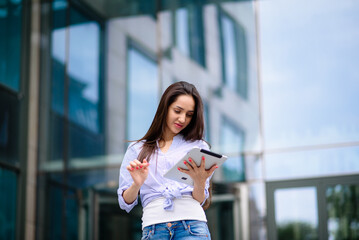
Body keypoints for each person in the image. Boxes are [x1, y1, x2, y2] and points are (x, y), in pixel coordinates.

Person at [117, 81, 217, 239]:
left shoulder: (198, 146)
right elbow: (125, 203)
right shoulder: (137, 150)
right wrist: (137, 184)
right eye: (177, 111)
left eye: (189, 115)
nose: (182, 119)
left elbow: (199, 199)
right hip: (154, 229)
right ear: (165, 108)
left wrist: (200, 181)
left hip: (192, 227)